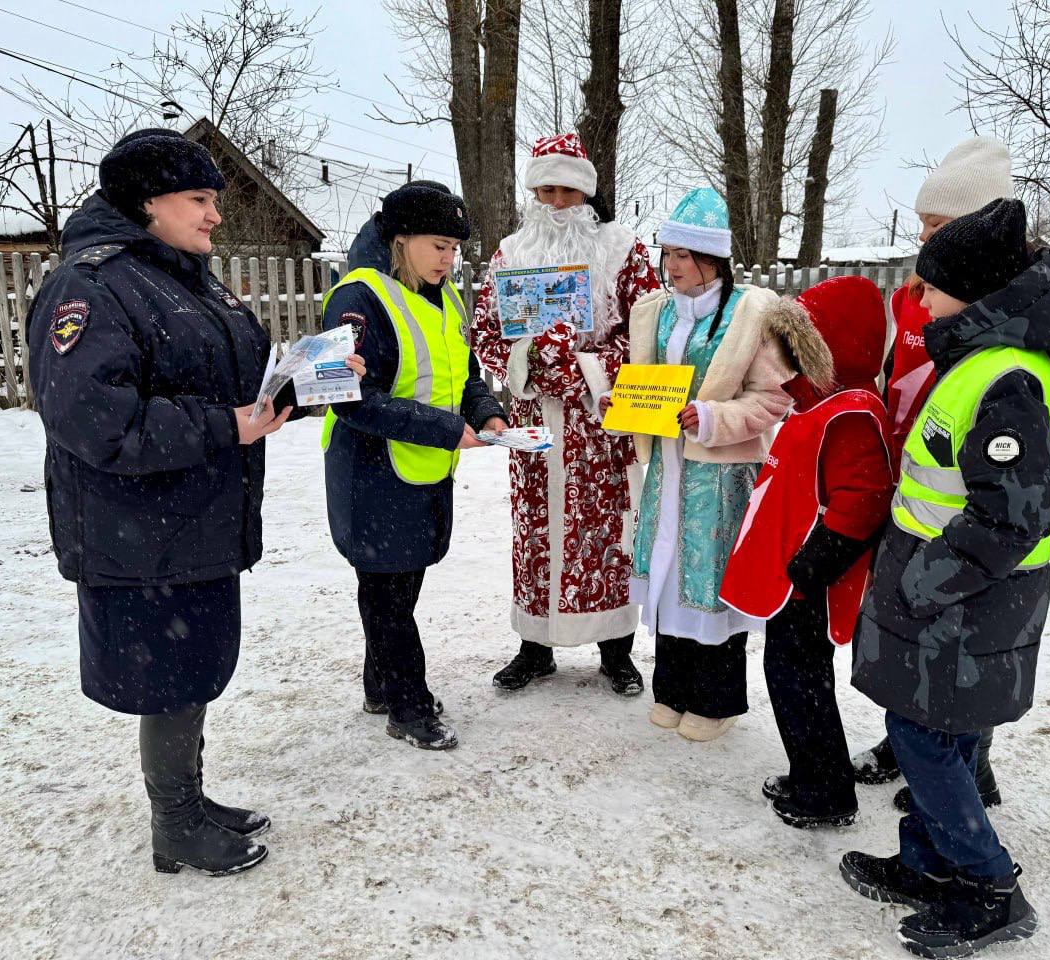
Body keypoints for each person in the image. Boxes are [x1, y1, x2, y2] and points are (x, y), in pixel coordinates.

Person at [26, 129, 358, 876]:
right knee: (169, 675)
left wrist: (306, 385)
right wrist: (223, 426)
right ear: (148, 202)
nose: (214, 216)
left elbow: (234, 388)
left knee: (193, 667)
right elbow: (91, 419)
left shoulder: (185, 278)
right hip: (138, 529)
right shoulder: (92, 285)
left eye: (214, 200)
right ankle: (174, 824)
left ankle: (188, 798)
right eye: (198, 199)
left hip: (195, 516)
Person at [842, 199, 1050, 957]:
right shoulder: (980, 360)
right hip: (956, 595)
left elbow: (1012, 519)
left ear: (975, 292)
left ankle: (989, 886)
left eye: (929, 285)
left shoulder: (1005, 378)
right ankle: (929, 863)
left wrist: (925, 582)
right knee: (946, 730)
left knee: (923, 737)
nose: (918, 299)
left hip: (964, 598)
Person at [852, 137, 1050, 809]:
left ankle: (967, 767)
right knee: (921, 642)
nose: (922, 240)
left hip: (996, 497)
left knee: (971, 636)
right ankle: (915, 745)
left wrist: (1032, 512)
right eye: (922, 226)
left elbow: (1049, 427)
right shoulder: (930, 291)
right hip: (928, 483)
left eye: (936, 228)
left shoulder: (1033, 302)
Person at [469, 133, 661, 695]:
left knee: (604, 530)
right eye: (545, 190)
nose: (555, 204)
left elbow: (649, 330)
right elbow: (484, 331)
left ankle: (617, 650)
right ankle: (535, 646)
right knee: (536, 534)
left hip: (599, 422)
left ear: (587, 195)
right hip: (536, 420)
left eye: (567, 192)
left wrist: (584, 367)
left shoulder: (623, 249)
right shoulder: (512, 252)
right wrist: (531, 360)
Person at [321, 181, 507, 751]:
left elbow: (466, 373)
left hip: (426, 466)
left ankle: (382, 683)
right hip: (371, 468)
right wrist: (449, 430)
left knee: (401, 581)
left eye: (454, 249)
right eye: (438, 246)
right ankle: (408, 702)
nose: (449, 260)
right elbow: (349, 397)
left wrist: (487, 414)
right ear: (401, 240)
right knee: (387, 591)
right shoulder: (358, 298)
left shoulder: (445, 296)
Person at [605, 187, 791, 742]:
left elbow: (773, 398)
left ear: (713, 260)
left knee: (709, 583)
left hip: (718, 477)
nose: (672, 267)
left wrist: (712, 419)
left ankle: (716, 700)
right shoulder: (655, 314)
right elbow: (644, 385)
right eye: (668, 255)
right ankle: (673, 690)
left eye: (684, 256)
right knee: (667, 580)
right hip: (666, 472)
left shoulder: (749, 315)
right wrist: (620, 402)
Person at [720, 276, 894, 828]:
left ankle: (826, 789)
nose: (790, 357)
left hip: (811, 579)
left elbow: (863, 498)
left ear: (833, 345)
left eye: (803, 344)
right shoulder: (819, 401)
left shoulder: (852, 411)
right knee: (788, 675)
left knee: (803, 679)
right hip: (794, 573)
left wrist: (817, 563)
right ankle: (810, 770)